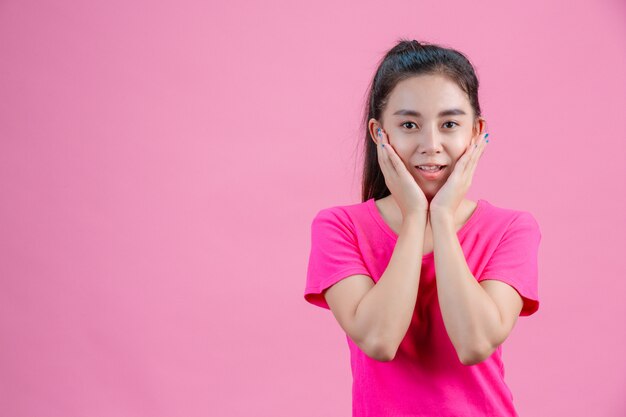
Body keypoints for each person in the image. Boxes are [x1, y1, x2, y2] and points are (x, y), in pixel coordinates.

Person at [303, 39, 542, 417]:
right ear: (379, 132)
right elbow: (380, 340)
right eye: (409, 125)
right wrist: (416, 217)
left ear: (477, 131)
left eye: (449, 124)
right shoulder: (339, 227)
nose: (430, 145)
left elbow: (474, 342)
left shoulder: (512, 228)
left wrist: (442, 218)